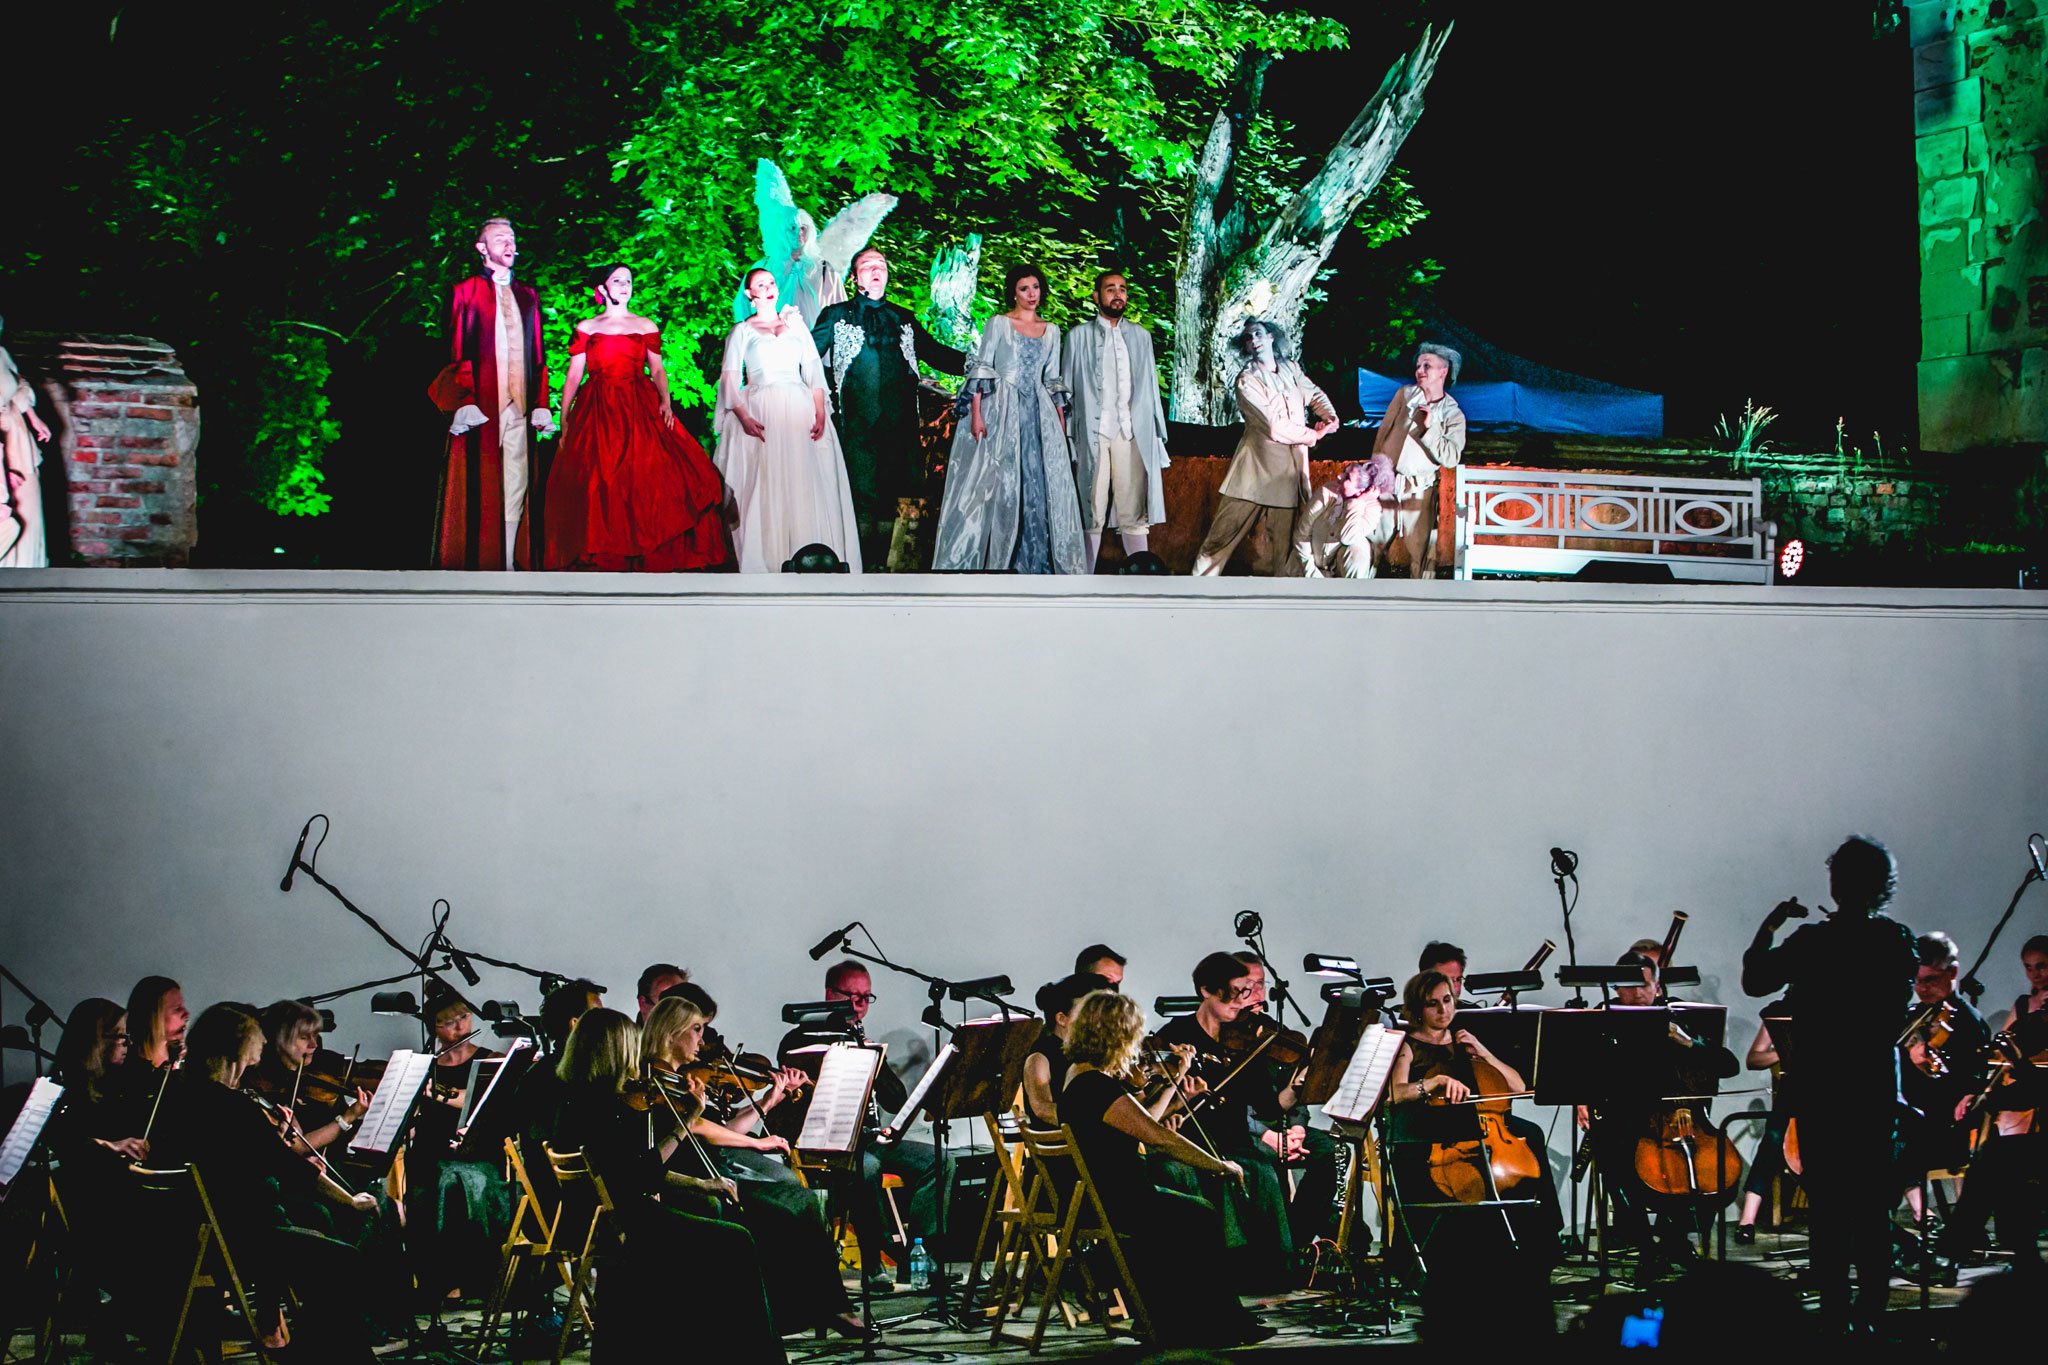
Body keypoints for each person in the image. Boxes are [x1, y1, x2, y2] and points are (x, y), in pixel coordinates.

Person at [1742, 834, 1919, 1334]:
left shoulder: (1812, 942)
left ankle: (1837, 1319)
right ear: (1884, 887)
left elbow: (1755, 981)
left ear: (1835, 884)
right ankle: (1872, 1315)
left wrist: (1770, 926)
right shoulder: (1898, 941)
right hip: (1874, 1088)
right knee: (1873, 1209)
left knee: (1829, 1209)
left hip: (1822, 1089)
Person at [544, 1007, 784, 1357]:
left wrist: (702, 1184)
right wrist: (685, 1122)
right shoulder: (602, 1108)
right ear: (617, 1051)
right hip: (627, 1222)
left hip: (595, 1219)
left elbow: (626, 1171)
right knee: (737, 1241)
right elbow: (642, 1172)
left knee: (715, 1224)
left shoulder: (572, 1101)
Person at [149, 1004, 380, 1359]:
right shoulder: (234, 1107)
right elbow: (292, 1170)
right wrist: (350, 1200)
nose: (264, 1042)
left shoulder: (180, 1093)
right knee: (345, 1261)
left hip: (188, 1235)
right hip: (243, 1239)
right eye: (257, 1037)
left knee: (322, 1236)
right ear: (240, 1048)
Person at [1058, 989, 1270, 1346]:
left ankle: (1180, 1321)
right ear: (1117, 1035)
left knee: (1186, 1214)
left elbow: (1145, 1122)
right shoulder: (1096, 1085)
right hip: (1118, 1199)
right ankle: (1221, 1323)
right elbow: (1160, 1138)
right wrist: (1219, 1165)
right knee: (1200, 1214)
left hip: (1104, 1195)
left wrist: (1174, 1084)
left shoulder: (1079, 1075)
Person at [641, 992, 860, 1335]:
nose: (702, 1040)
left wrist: (769, 1101)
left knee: (800, 1202)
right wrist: (757, 1142)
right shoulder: (658, 1077)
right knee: (791, 1207)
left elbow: (722, 1130)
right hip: (698, 1178)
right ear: (671, 1033)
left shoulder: (681, 1077)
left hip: (715, 1168)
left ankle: (823, 1306)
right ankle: (811, 1310)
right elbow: (699, 1127)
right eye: (696, 1030)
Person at [545, 264, 732, 572]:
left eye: (628, 281)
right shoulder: (587, 327)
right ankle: (603, 548)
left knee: (648, 474)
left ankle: (647, 548)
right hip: (598, 407)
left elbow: (657, 368)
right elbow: (574, 375)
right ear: (602, 288)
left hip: (637, 402)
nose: (624, 286)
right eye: (617, 280)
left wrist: (665, 401)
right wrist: (565, 417)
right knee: (600, 476)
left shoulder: (644, 324)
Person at [773, 960, 940, 1285]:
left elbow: (895, 1101)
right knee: (868, 1167)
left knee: (939, 1160)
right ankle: (874, 1264)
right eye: (851, 995)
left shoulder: (863, 1039)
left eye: (865, 997)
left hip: (869, 1139)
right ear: (829, 994)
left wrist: (871, 1060)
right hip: (825, 1143)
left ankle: (920, 1258)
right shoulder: (797, 1040)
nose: (859, 1004)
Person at [1577, 953, 1738, 1272]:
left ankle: (1675, 1239)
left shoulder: (1679, 1016)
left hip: (1685, 1118)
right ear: (1616, 988)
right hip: (1631, 1118)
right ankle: (1645, 1246)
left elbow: (1729, 1065)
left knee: (1712, 1170)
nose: (1638, 993)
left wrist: (1688, 1042)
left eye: (1645, 985)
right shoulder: (1604, 1020)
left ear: (1658, 987)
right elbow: (1585, 1070)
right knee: (1610, 1153)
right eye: (1629, 986)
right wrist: (1583, 1097)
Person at [810, 247, 967, 567]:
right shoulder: (836, 315)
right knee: (862, 497)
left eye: (880, 264)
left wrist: (982, 361)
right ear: (855, 277)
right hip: (858, 427)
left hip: (900, 427)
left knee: (898, 496)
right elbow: (809, 356)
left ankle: (894, 571)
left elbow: (936, 354)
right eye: (867, 266)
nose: (875, 270)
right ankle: (861, 567)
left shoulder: (902, 318)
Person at [1386, 970, 1550, 1266]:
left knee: (1531, 1138)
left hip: (1480, 1126)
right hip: (1432, 1131)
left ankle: (1540, 1241)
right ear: (1418, 1008)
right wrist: (1433, 1083)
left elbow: (1517, 1087)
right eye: (1432, 1003)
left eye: (1447, 1000)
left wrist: (1484, 1052)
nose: (1443, 1010)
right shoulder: (1407, 1045)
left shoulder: (1465, 1040)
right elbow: (1395, 1093)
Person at [1150, 951, 1294, 1285]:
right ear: (1206, 991)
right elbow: (1154, 1104)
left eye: (1247, 991)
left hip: (1233, 1141)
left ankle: (1278, 1270)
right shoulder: (1175, 1036)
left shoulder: (1246, 1040)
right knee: (1218, 1174)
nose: (1243, 1001)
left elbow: (1268, 1107)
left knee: (1263, 1171)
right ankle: (1228, 1271)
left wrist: (1297, 1088)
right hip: (1190, 1141)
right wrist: (1180, 1101)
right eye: (1234, 992)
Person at [932, 264, 1086, 574]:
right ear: (1013, 293)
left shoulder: (1052, 330)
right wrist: (977, 415)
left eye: (1036, 287)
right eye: (1024, 289)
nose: (1031, 294)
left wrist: (1059, 426)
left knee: (1038, 484)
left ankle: (1035, 562)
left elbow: (1052, 379)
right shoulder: (999, 324)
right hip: (1001, 406)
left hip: (1038, 412)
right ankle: (996, 560)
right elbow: (983, 367)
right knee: (998, 482)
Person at [714, 268, 861, 573]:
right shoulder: (743, 331)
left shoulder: (794, 324)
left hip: (798, 407)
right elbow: (729, 377)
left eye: (771, 282)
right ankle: (765, 557)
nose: (768, 288)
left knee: (804, 479)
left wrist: (820, 410)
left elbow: (812, 367)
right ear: (750, 294)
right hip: (762, 407)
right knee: (765, 481)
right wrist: (743, 416)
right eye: (760, 284)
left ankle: (810, 552)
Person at [427, 216, 554, 571]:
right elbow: (457, 350)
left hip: (519, 403)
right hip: (483, 401)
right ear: (482, 248)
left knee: (517, 479)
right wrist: (464, 400)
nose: (509, 245)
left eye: (512, 239)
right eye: (500, 239)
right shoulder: (465, 291)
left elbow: (538, 356)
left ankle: (510, 559)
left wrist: (541, 403)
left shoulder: (528, 295)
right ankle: (477, 559)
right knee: (480, 480)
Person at [1192, 319, 1338, 576]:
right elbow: (1274, 426)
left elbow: (1314, 393)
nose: (1254, 340)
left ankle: (1281, 597)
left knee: (1283, 551)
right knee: (1219, 539)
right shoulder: (1247, 380)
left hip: (1287, 476)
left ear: (1271, 337)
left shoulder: (1290, 369)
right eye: (1248, 338)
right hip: (1254, 473)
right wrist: (1314, 435)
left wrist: (1330, 417)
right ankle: (1197, 589)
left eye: (1258, 334)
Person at [1937, 933, 2047, 1269]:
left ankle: (1956, 1246)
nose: (2036, 974)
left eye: (2042, 966)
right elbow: (2006, 1058)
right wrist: (1980, 1094)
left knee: (1998, 1161)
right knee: (1994, 1157)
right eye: (2029, 968)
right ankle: (1982, 1248)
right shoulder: (2026, 1006)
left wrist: (2019, 1063)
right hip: (2028, 1102)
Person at [1229, 952, 1342, 1246]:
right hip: (1244, 1131)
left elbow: (1294, 1089)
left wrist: (1298, 1128)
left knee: (1327, 1149)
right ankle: (1281, 1244)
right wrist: (1267, 1136)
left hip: (1279, 1124)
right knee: (1265, 1163)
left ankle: (1297, 1237)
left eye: (1261, 984)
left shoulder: (1275, 1033)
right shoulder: (1224, 1037)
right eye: (1247, 986)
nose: (1257, 993)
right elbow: (1233, 1107)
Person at [1063, 270, 1170, 570]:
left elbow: (1150, 387)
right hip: (1093, 431)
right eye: (1110, 289)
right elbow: (1066, 389)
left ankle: (1141, 579)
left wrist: (1156, 435)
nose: (1117, 294)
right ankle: (1082, 580)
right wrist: (1067, 436)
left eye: (1122, 288)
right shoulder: (1078, 336)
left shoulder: (1141, 336)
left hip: (1131, 431)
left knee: (1134, 508)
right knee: (1090, 507)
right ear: (1096, 296)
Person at [1896, 931, 1990, 1237]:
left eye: (1931, 980)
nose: (1922, 989)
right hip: (1912, 1120)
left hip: (1944, 1128)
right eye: (1916, 981)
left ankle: (1922, 1216)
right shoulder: (1914, 1016)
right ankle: (1915, 1214)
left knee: (1888, 1138)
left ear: (1953, 972)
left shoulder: (1968, 1022)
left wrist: (1924, 1067)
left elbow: (1970, 1083)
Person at [1371, 342, 1466, 579]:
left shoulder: (1453, 414)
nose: (1419, 370)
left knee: (1419, 550)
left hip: (1419, 488)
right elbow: (1384, 432)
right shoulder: (1405, 395)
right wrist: (1374, 469)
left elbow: (1451, 457)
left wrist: (1430, 427)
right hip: (1387, 482)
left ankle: (1421, 595)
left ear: (1443, 371)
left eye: (1427, 366)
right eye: (1418, 365)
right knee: (1373, 541)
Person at [242, 999, 371, 1162]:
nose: (314, 1044)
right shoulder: (264, 1089)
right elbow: (300, 1146)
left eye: (315, 1035)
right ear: (279, 1040)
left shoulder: (297, 1076)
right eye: (304, 1037)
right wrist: (348, 1117)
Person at [1733, 1009, 1798, 1242]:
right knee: (1773, 1139)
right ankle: (1747, 1220)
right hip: (1795, 1092)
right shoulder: (1781, 1011)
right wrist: (1785, 1052)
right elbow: (1754, 1059)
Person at [1022, 972, 1114, 1127]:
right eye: (1087, 1011)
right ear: (1062, 1019)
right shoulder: (1039, 1056)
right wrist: (1094, 1121)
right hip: (1063, 1140)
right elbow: (1042, 1109)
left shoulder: (1090, 1052)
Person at [1289, 454, 1395, 578]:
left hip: (1337, 572)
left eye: (1347, 478)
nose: (1339, 476)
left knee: (1358, 551)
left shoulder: (1373, 509)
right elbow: (1301, 534)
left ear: (1361, 491)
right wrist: (1312, 574)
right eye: (1344, 472)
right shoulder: (1327, 492)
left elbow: (1347, 537)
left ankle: (1351, 589)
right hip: (1305, 567)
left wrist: (1358, 502)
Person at [0, 315, 50, 568]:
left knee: (30, 511)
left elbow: (18, 383)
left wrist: (33, 417)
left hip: (18, 438)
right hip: (4, 448)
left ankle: (30, 575)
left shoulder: (1, 353)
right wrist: (3, 473)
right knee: (9, 519)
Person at [124, 975, 188, 1072]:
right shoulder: (128, 1071)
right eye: (177, 1008)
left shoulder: (180, 1064)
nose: (187, 1014)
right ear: (153, 1016)